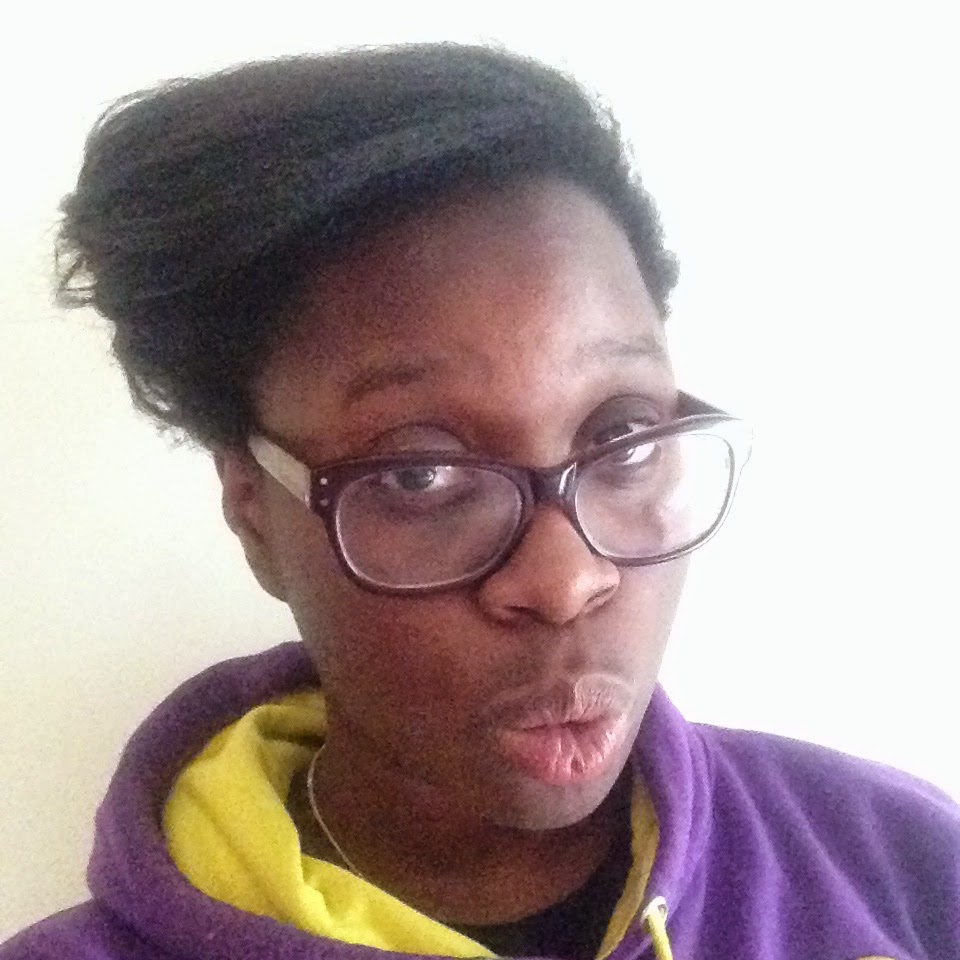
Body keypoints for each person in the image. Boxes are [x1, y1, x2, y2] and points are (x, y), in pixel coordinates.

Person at [3, 42, 957, 960]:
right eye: (419, 475)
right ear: (254, 511)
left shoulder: (895, 867)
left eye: (624, 437)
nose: (567, 581)